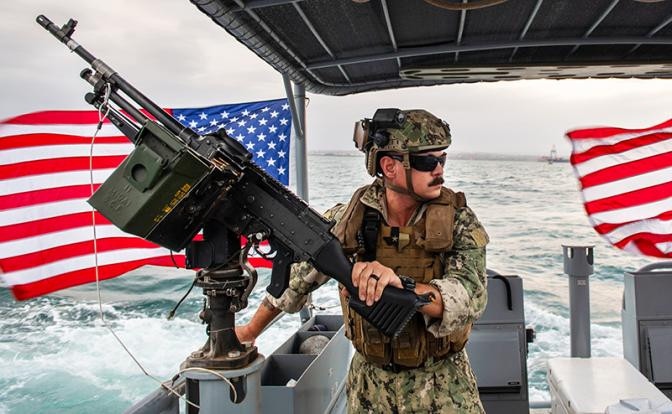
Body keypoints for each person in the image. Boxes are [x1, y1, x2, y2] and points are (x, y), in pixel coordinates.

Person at [237, 109, 489, 413]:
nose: (439, 170)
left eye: (442, 159)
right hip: (369, 388)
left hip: (443, 388)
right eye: (427, 161)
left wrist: (404, 287)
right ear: (390, 166)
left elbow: (471, 296)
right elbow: (295, 284)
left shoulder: (458, 221)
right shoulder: (348, 221)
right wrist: (250, 332)